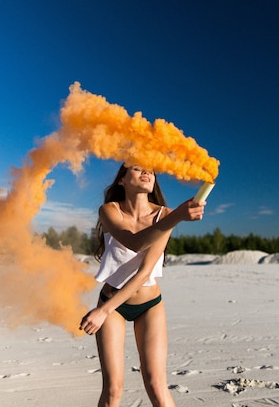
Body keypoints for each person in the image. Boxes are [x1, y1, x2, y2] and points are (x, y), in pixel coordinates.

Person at [79, 164, 206, 407]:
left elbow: (144, 271)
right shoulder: (109, 210)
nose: (147, 173)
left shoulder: (164, 215)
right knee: (113, 389)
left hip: (149, 306)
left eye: (151, 170)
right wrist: (105, 310)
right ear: (122, 181)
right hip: (112, 306)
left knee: (156, 385)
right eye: (137, 168)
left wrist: (175, 216)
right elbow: (133, 242)